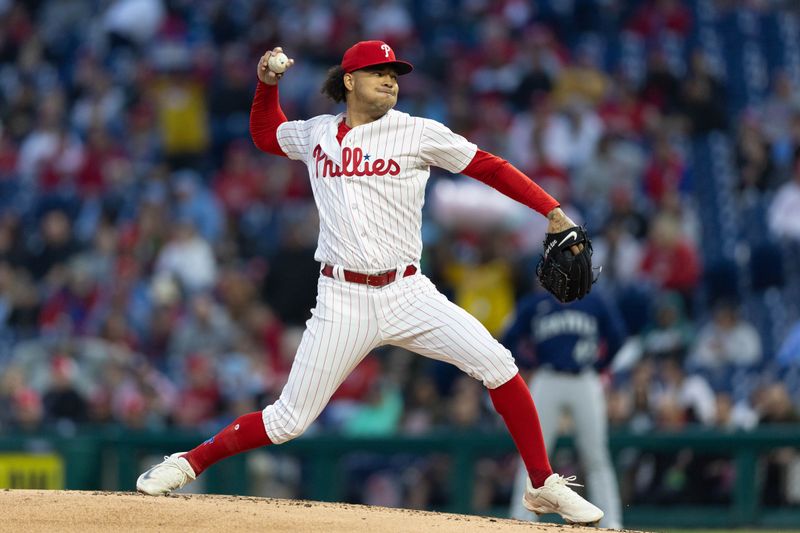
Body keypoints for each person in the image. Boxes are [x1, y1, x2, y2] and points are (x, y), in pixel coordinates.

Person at [136, 41, 603, 525]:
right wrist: (267, 84)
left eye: (394, 74)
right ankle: (187, 463)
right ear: (349, 81)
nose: (390, 79)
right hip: (342, 298)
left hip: (408, 291)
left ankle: (543, 483)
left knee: (499, 364)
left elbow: (489, 166)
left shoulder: (417, 132)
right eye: (378, 71)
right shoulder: (318, 132)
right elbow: (266, 134)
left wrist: (551, 209)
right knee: (287, 422)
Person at [502, 286, 627, 529]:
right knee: (532, 453)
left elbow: (617, 336)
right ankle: (520, 517)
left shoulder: (595, 300)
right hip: (548, 378)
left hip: (584, 378)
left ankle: (612, 522)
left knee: (596, 455)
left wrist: (601, 365)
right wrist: (530, 362)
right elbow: (510, 337)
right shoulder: (537, 302)